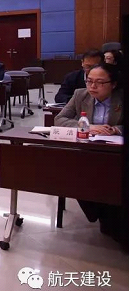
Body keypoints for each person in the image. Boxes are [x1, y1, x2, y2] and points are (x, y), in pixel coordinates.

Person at [54, 63, 123, 238]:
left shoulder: (121, 98)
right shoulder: (80, 95)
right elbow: (60, 119)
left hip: (114, 154)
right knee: (74, 173)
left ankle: (110, 216)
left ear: (113, 84)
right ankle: (99, 212)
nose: (92, 86)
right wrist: (87, 126)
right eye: (89, 81)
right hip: (86, 152)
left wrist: (116, 129)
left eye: (99, 82)